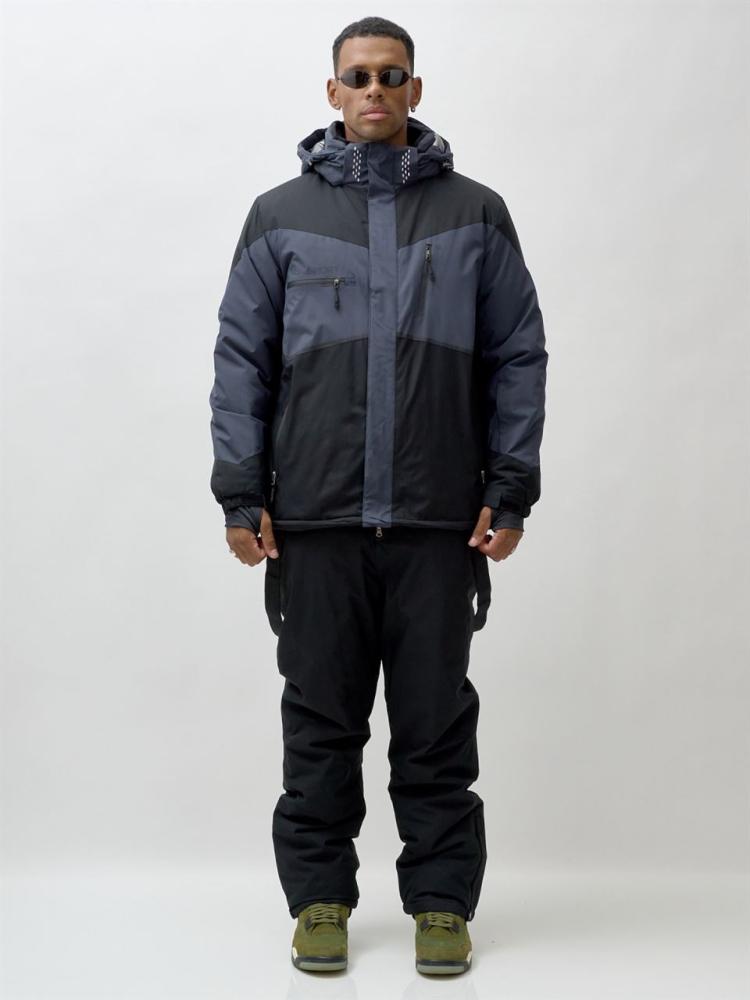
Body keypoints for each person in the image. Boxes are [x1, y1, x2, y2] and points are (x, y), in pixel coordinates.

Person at [208, 16, 547, 976]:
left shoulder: (476, 215)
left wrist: (510, 487)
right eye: (357, 76)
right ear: (332, 92)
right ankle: (319, 901)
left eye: (390, 76)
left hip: (441, 521)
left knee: (435, 725)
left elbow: (518, 356)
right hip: (314, 521)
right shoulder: (278, 216)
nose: (373, 91)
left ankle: (441, 905)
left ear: (414, 89)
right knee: (321, 723)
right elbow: (241, 363)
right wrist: (241, 492)